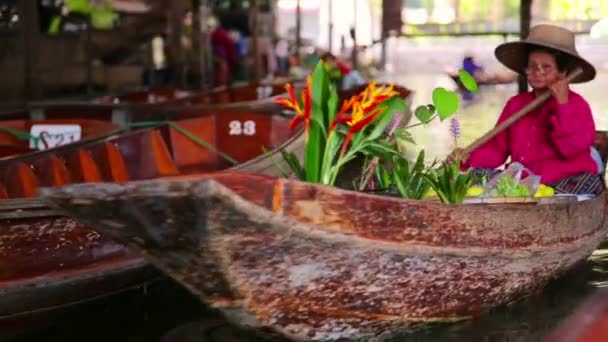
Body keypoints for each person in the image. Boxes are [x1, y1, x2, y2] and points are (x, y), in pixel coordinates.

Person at [448, 24, 603, 195]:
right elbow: (496, 150)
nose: (537, 72)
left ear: (563, 73)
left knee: (585, 183)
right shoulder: (516, 104)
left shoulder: (577, 105)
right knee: (476, 175)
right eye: (532, 66)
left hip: (564, 180)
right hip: (524, 181)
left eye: (546, 67)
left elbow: (572, 150)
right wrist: (466, 158)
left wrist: (562, 106)